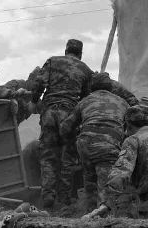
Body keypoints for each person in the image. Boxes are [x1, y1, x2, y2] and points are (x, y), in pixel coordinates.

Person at [59, 72, 138, 210]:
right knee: (105, 185)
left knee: (89, 182)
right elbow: (131, 129)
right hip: (108, 145)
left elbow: (65, 128)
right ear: (110, 87)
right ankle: (103, 217)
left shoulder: (85, 101)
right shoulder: (122, 102)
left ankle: (89, 213)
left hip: (85, 145)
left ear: (92, 86)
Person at [32, 38, 93, 207]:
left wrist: (34, 100)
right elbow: (86, 97)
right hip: (69, 116)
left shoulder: (53, 61)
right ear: (80, 54)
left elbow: (39, 83)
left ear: (66, 51)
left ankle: (48, 196)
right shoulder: (85, 69)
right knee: (68, 158)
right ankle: (64, 199)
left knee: (48, 155)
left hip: (49, 113)